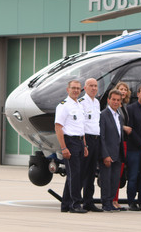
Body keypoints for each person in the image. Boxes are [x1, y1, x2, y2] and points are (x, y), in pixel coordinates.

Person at [55, 80, 88, 213]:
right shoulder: (63, 106)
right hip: (70, 142)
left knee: (74, 175)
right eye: (73, 88)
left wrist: (85, 145)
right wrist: (63, 147)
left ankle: (65, 205)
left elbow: (82, 127)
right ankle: (75, 205)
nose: (75, 90)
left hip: (80, 141)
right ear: (67, 89)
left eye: (78, 88)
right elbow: (58, 127)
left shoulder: (79, 105)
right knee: (74, 174)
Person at [99, 90, 126, 212]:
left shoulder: (119, 116)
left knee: (115, 180)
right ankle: (106, 203)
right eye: (113, 99)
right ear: (109, 100)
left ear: (121, 102)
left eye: (118, 100)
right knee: (106, 180)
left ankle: (111, 202)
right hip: (108, 154)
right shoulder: (103, 115)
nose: (115, 102)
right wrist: (105, 155)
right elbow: (102, 137)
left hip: (118, 154)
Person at [78, 78, 103, 212]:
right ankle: (75, 200)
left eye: (95, 86)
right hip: (85, 138)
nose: (94, 88)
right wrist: (84, 144)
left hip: (95, 139)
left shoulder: (97, 102)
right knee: (82, 172)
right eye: (91, 86)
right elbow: (81, 124)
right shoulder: (81, 102)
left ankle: (88, 201)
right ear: (85, 88)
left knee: (91, 172)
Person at [112, 82, 132, 211]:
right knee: (114, 173)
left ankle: (116, 199)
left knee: (119, 173)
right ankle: (112, 199)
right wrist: (123, 127)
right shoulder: (115, 107)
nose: (123, 91)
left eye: (125, 90)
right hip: (116, 143)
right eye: (121, 89)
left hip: (124, 143)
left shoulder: (125, 106)